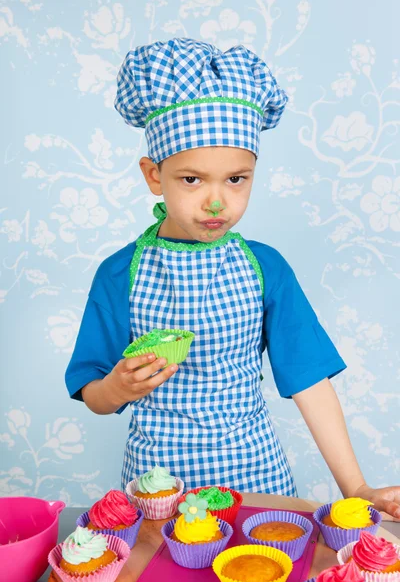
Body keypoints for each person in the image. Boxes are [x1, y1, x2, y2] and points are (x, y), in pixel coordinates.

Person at [65, 37, 400, 518]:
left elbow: (309, 381)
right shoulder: (120, 274)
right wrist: (117, 389)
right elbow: (92, 391)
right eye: (192, 179)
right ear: (153, 175)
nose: (216, 202)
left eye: (236, 179)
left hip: (256, 479)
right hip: (160, 486)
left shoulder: (266, 268)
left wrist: (357, 487)